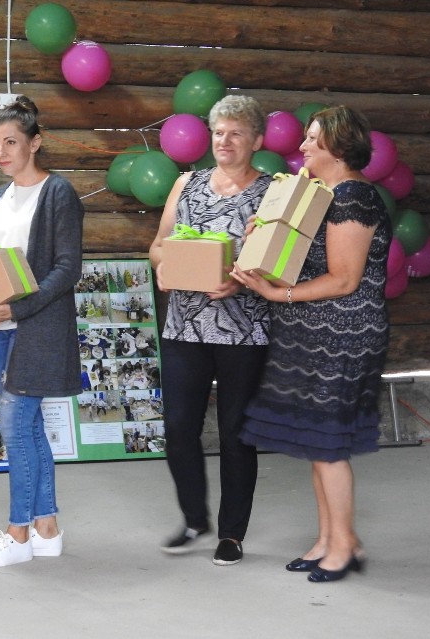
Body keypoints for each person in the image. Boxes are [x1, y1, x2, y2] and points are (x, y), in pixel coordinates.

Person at [231, 105, 391, 582]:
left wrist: (277, 293)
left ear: (338, 148)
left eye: (312, 140)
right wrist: (259, 240)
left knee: (329, 445)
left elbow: (344, 279)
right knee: (316, 443)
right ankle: (328, 539)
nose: (301, 147)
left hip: (344, 334)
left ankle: (344, 546)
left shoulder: (354, 197)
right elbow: (300, 260)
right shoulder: (322, 196)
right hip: (308, 330)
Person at [149, 95, 271, 565]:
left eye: (236, 133)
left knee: (236, 433)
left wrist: (237, 278)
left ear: (256, 141)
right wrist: (163, 267)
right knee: (178, 428)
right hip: (184, 326)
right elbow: (159, 245)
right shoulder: (187, 184)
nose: (225, 140)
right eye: (219, 131)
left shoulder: (272, 192)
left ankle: (233, 533)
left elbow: (283, 263)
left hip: (244, 330)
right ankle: (195, 518)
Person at [0, 96, 84, 568]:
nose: (1, 152)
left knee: (15, 431)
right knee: (30, 430)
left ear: (35, 143)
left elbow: (67, 269)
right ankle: (48, 528)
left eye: (10, 142)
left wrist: (20, 307)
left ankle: (18, 534)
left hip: (36, 330)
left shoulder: (58, 194)